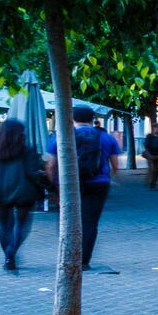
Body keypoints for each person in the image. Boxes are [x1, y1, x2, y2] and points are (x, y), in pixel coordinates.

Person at [44, 105, 121, 271]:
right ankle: (84, 261)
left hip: (69, 184)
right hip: (98, 183)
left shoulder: (62, 137)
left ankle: (67, 256)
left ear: (72, 118)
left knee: (66, 219)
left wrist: (54, 186)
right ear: (93, 119)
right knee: (90, 222)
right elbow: (115, 165)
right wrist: (109, 177)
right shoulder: (106, 138)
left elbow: (50, 165)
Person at [0, 119, 46, 273]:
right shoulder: (27, 150)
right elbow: (33, 173)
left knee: (4, 226)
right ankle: (12, 249)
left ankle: (8, 258)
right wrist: (44, 187)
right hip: (24, 192)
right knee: (21, 225)